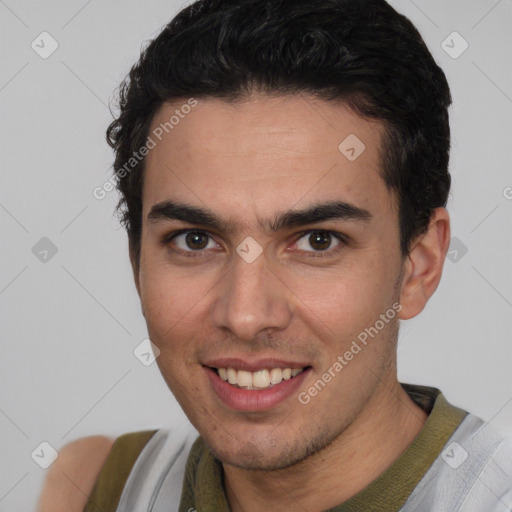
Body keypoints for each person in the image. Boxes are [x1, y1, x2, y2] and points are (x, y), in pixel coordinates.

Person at [38, 0, 512, 510]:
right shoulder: (96, 487)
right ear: (137, 262)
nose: (244, 316)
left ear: (418, 266)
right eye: (194, 240)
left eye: (317, 241)